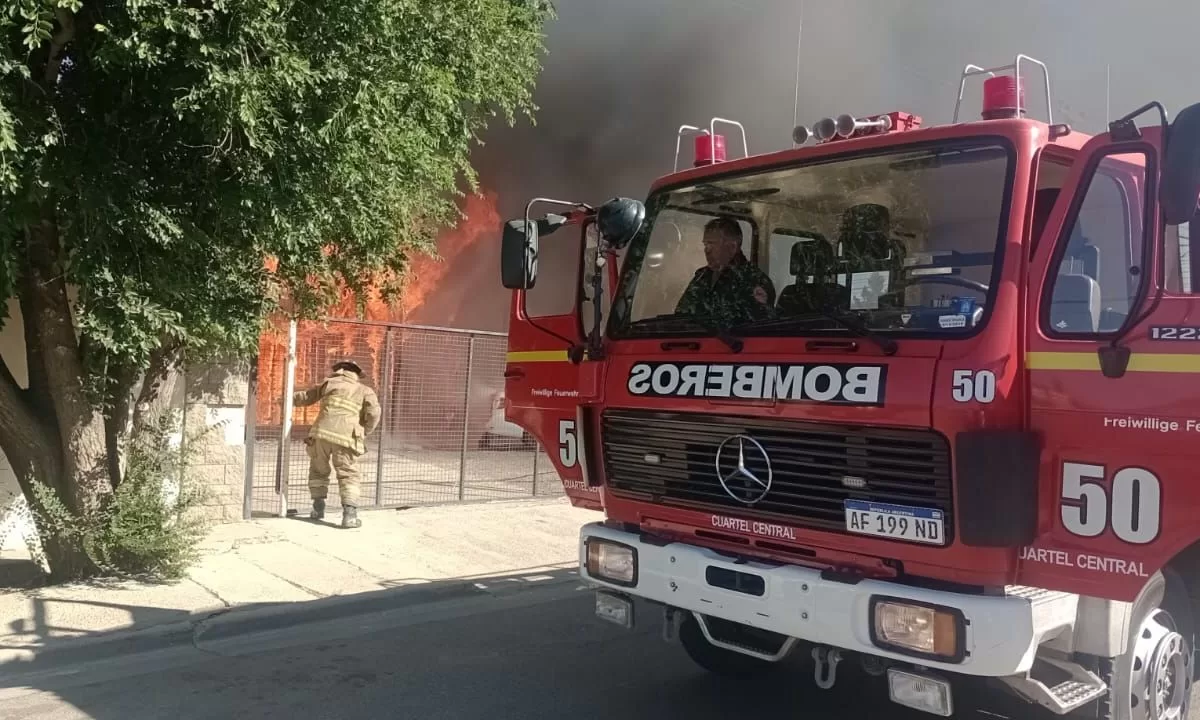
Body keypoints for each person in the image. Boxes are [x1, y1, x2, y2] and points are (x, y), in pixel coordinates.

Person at [292, 359, 382, 529]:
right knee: (348, 474)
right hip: (347, 438)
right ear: (356, 374)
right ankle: (349, 516)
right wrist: (363, 432)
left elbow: (306, 397)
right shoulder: (364, 390)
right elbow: (374, 414)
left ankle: (318, 509)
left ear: (339, 370)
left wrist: (285, 398)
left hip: (320, 435)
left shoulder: (328, 384)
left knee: (318, 471)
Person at [674, 216, 776, 327]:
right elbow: (681, 316)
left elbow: (757, 328)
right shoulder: (702, 277)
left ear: (732, 247)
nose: (706, 250)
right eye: (706, 244)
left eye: (712, 244)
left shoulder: (754, 280)